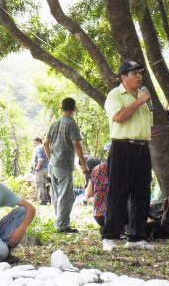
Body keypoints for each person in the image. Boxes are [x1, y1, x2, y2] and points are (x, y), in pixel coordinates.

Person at [102, 60, 154, 251]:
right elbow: (119, 117)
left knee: (142, 193)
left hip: (142, 148)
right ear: (123, 77)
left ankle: (136, 237)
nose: (139, 76)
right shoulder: (115, 95)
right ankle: (109, 236)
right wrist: (139, 101)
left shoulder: (143, 95)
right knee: (118, 193)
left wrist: (142, 100)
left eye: (140, 73)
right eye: (134, 73)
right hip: (122, 147)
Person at [44, 97, 88, 233]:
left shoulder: (54, 123)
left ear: (61, 108)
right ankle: (62, 225)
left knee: (56, 194)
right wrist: (83, 164)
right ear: (74, 108)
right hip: (64, 164)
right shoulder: (71, 124)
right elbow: (76, 144)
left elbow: (45, 142)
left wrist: (50, 157)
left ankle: (59, 221)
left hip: (53, 164)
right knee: (65, 196)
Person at [84, 142, 111, 228]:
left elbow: (89, 193)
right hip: (121, 216)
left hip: (100, 216)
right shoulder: (126, 169)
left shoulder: (97, 169)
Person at [31, 137, 50, 205]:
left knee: (39, 185)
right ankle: (47, 199)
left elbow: (40, 159)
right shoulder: (45, 147)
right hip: (46, 169)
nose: (34, 145)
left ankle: (43, 201)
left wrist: (37, 168)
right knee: (45, 185)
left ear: (39, 142)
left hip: (40, 170)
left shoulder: (39, 148)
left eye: (35, 143)